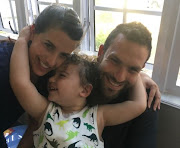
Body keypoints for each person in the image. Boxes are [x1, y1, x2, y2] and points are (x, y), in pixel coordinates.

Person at [10, 28, 147, 147]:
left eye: (62, 75)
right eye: (54, 75)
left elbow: (138, 105)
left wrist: (137, 74)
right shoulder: (45, 111)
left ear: (85, 90)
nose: (51, 79)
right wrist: (22, 40)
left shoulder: (99, 116)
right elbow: (20, 82)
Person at [0, 4, 83, 147]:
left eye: (63, 55)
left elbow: (34, 126)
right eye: (48, 45)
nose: (51, 61)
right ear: (32, 32)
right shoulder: (3, 64)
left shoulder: (52, 78)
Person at [97, 22, 160, 148]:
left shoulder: (147, 99)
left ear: (141, 69)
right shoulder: (76, 79)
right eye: (114, 61)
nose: (119, 77)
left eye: (133, 69)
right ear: (101, 52)